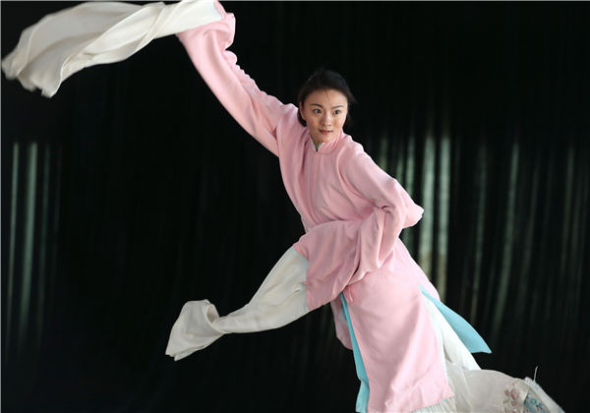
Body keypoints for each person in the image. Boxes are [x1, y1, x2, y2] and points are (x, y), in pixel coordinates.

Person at [2, 1, 564, 411]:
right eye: (317, 111)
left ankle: (518, 400)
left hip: (383, 286)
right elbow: (245, 97)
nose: (327, 122)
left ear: (347, 115)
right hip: (356, 286)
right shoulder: (291, 134)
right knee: (422, 382)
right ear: (302, 109)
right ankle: (518, 399)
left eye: (337, 113)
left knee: (411, 390)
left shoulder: (349, 157)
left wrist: (355, 251)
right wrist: (200, 39)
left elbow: (401, 206)